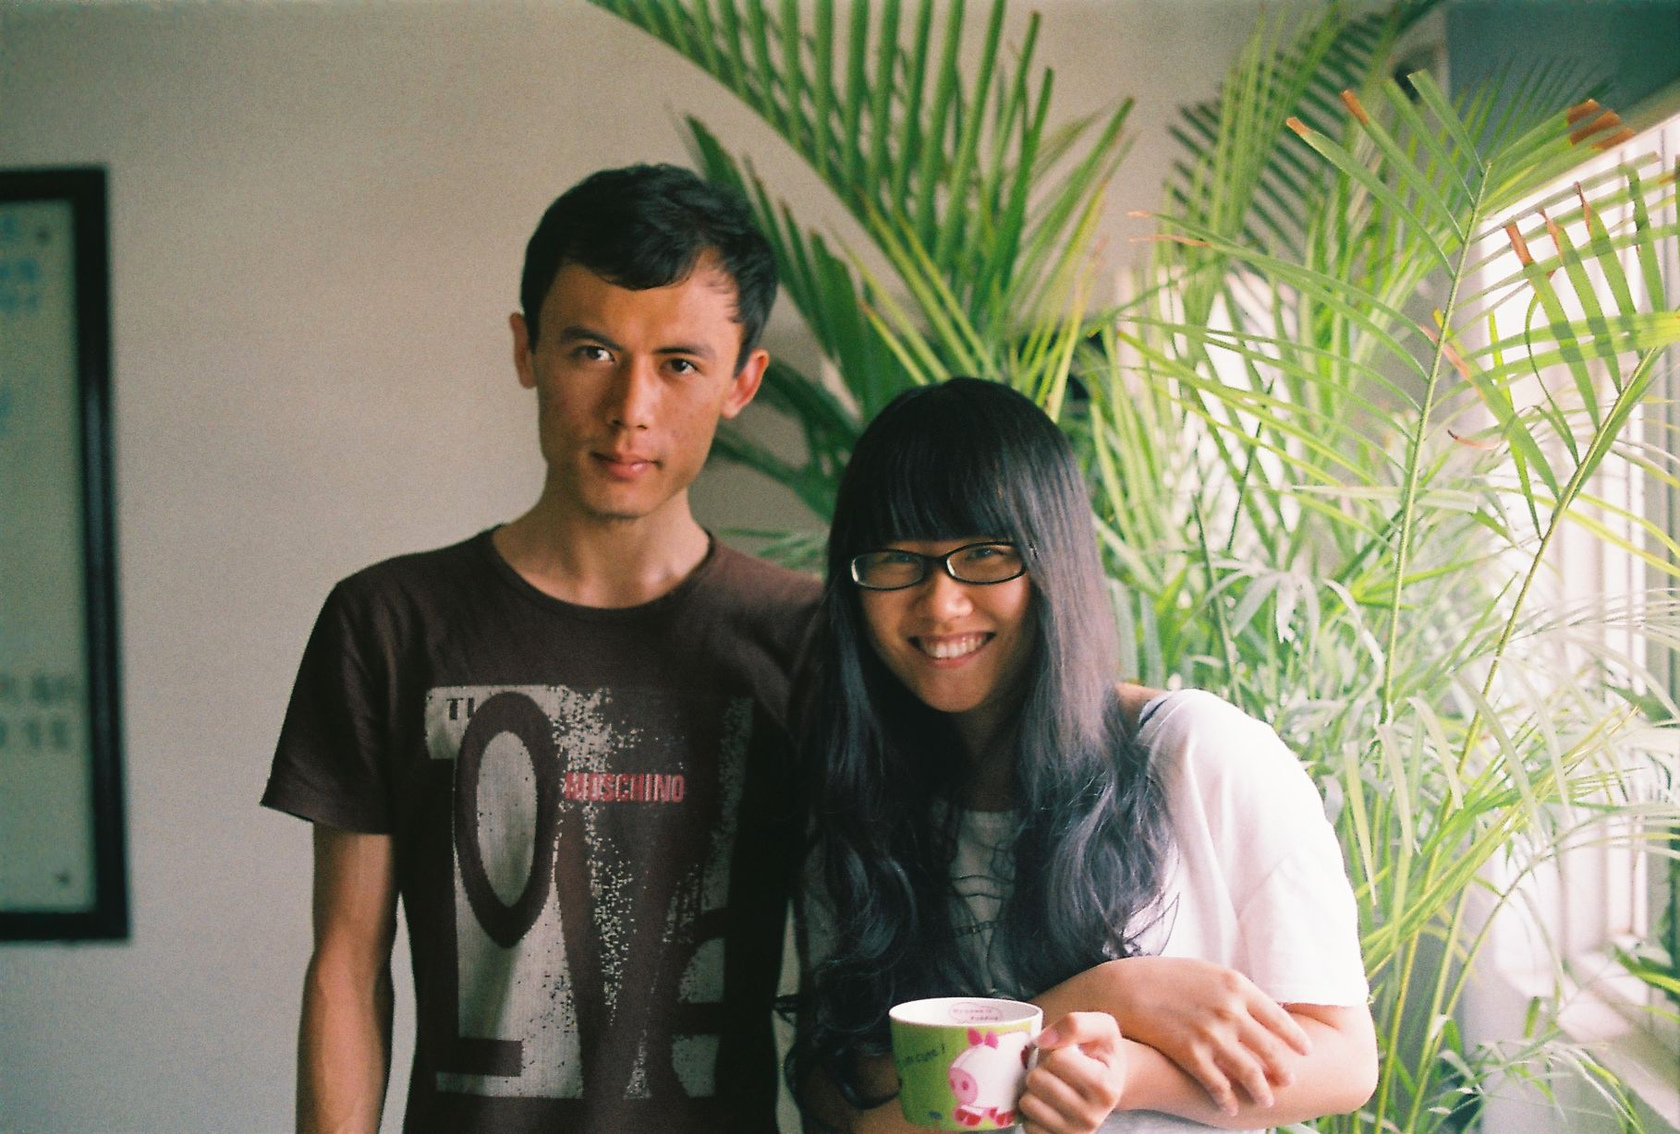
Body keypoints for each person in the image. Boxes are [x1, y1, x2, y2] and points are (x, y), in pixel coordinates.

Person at [262, 164, 820, 1134]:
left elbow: (868, 963)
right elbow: (347, 966)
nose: (631, 406)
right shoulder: (389, 624)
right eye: (593, 351)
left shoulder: (804, 640)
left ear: (743, 382)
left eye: (680, 364)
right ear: (527, 350)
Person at [791, 379, 1377, 1134]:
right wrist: (1107, 997)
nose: (939, 604)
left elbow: (1343, 1061)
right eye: (897, 559)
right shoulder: (860, 793)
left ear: (1053, 562)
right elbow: (847, 1103)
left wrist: (1124, 1072)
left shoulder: (1200, 753)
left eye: (983, 553)